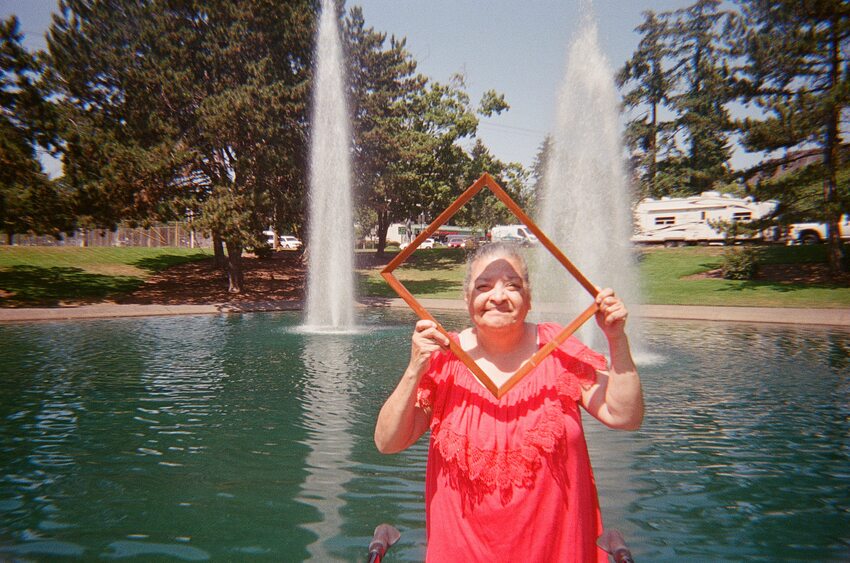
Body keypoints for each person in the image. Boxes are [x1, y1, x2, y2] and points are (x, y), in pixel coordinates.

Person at [374, 242, 643, 562]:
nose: (498, 296)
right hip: (460, 552)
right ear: (467, 298)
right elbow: (388, 442)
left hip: (555, 551)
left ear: (528, 299)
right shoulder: (444, 360)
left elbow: (624, 415)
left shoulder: (558, 349)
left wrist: (617, 339)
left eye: (512, 286)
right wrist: (415, 367)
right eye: (484, 286)